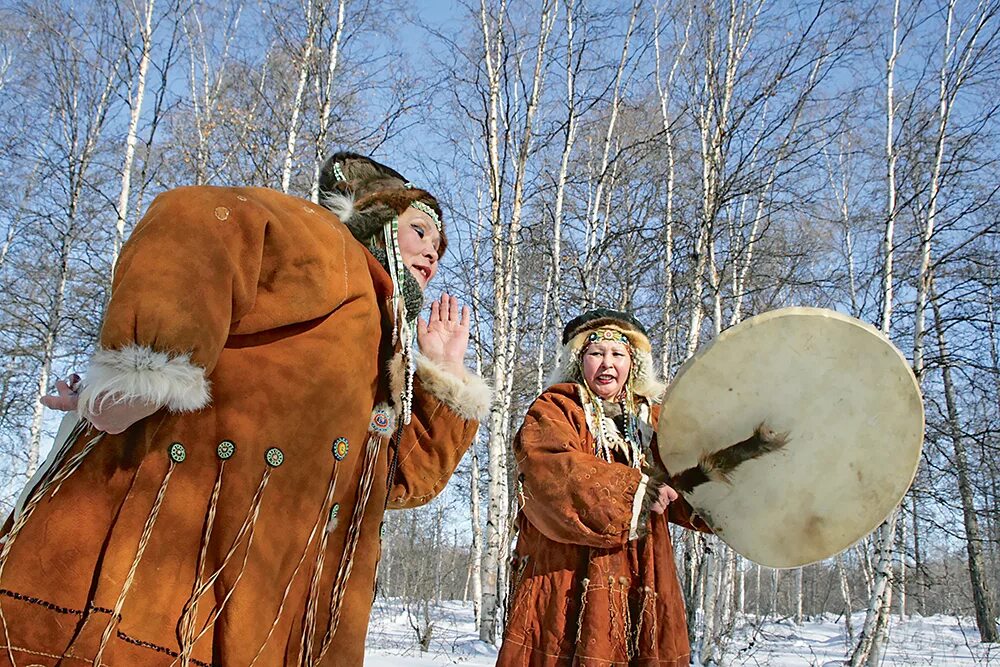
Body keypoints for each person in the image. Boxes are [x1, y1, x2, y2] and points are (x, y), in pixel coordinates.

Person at [0, 152, 491, 665]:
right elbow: (202, 215)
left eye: (440, 248)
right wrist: (143, 371)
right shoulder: (328, 244)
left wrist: (443, 376)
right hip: (154, 586)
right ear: (374, 221)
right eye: (419, 230)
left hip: (268, 617)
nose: (433, 253)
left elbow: (391, 482)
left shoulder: (376, 345)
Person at [496, 308, 711, 666]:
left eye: (618, 354)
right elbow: (547, 469)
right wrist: (636, 493)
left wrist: (734, 492)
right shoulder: (556, 408)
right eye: (596, 353)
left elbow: (686, 484)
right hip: (566, 575)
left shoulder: (654, 422)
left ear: (634, 363)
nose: (606, 362)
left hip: (643, 572)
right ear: (579, 361)